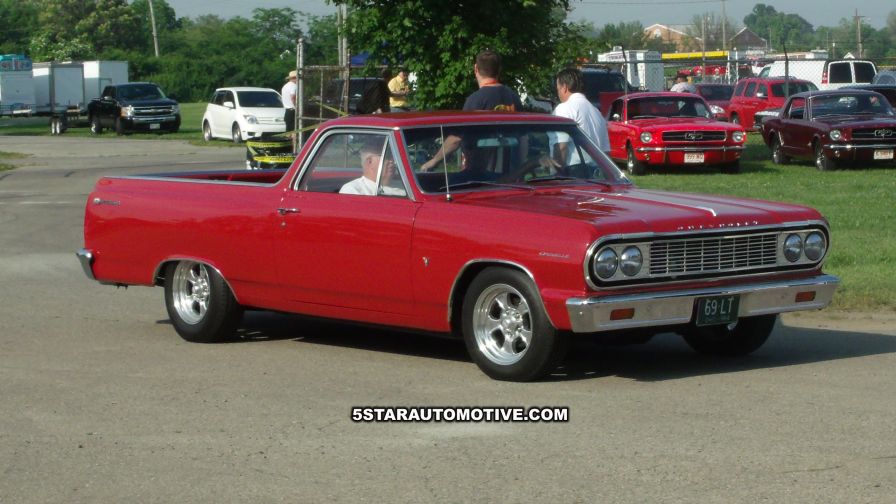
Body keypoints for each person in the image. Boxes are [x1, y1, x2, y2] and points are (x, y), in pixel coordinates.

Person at [421, 50, 523, 171]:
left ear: (476, 69)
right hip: (509, 175)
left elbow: (456, 138)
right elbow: (523, 138)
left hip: (480, 174)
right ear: (499, 69)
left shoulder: (475, 100)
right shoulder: (513, 97)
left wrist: (434, 161)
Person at [552, 68, 610, 161]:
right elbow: (606, 152)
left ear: (564, 88)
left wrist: (557, 173)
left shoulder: (564, 108)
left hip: (574, 171)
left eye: (558, 89)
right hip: (596, 171)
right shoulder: (597, 112)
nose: (558, 93)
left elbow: (561, 147)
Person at [339, 140, 406, 196]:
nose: (392, 161)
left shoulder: (406, 187)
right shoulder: (353, 190)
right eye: (386, 156)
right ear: (370, 161)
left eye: (393, 156)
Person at [281, 70, 298, 135]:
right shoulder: (293, 86)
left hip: (287, 111)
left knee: (288, 132)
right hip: (292, 111)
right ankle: (294, 144)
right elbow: (292, 97)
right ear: (294, 78)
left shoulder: (285, 86)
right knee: (294, 133)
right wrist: (297, 106)